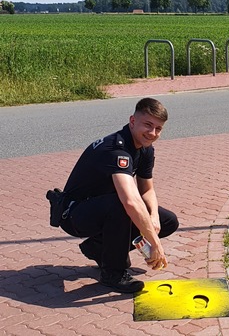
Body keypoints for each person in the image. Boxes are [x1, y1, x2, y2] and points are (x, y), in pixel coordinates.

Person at [59, 97, 179, 293]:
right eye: (148, 125)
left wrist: (154, 219)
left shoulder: (145, 148)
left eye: (158, 128)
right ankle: (113, 273)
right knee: (123, 206)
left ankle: (98, 248)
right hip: (74, 214)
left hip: (102, 207)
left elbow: (146, 189)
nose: (152, 133)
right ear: (132, 121)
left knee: (168, 221)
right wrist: (155, 244)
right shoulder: (117, 149)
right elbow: (131, 201)